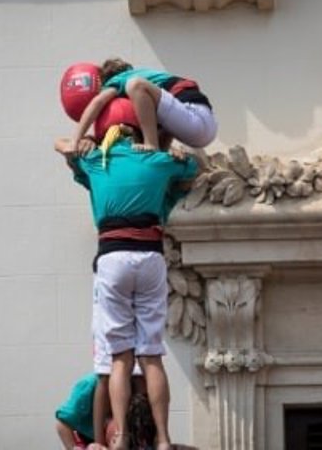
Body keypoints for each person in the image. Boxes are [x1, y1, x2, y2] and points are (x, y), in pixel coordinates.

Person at [55, 125, 198, 450]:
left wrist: (81, 142)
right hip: (149, 256)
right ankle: (162, 439)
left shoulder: (98, 160)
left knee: (119, 358)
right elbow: (192, 170)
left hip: (113, 255)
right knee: (152, 355)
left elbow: (62, 147)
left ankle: (120, 438)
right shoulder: (156, 163)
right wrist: (173, 153)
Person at [70, 58, 217, 152]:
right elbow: (168, 128)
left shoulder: (118, 80)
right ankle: (155, 147)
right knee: (155, 119)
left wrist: (75, 140)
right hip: (202, 124)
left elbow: (97, 102)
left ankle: (150, 144)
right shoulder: (152, 96)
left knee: (135, 85)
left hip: (194, 116)